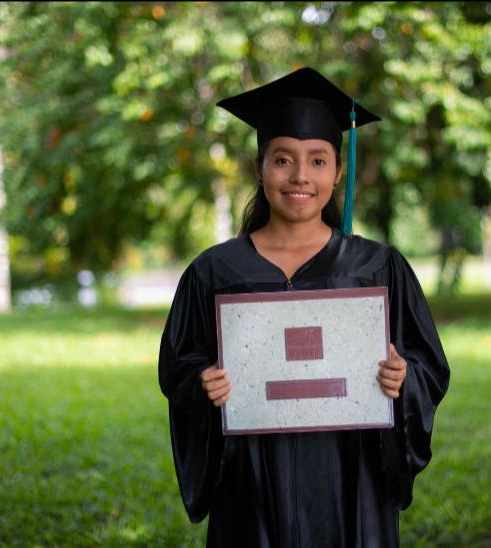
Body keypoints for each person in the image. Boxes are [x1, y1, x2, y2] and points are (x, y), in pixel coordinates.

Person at [159, 67, 450, 547]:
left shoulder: (379, 266)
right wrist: (200, 383)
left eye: (318, 161)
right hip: (251, 478)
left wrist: (405, 377)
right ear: (259, 167)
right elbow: (177, 368)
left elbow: (429, 367)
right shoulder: (214, 272)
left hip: (350, 475)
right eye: (283, 160)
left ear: (338, 172)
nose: (300, 177)